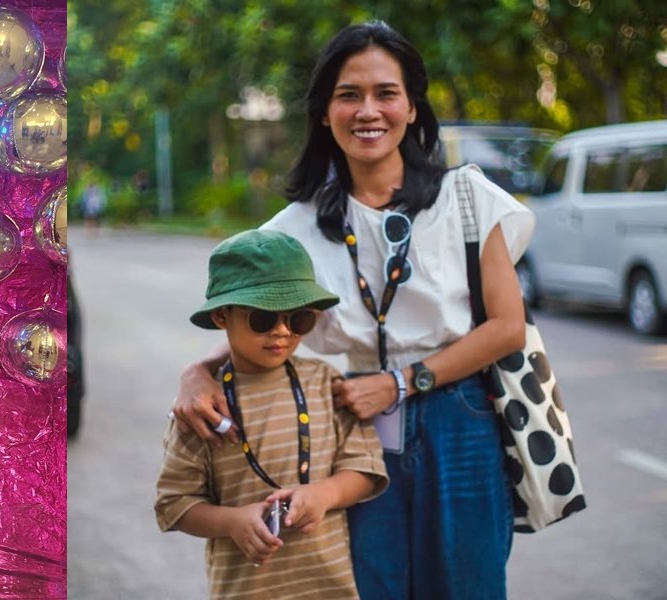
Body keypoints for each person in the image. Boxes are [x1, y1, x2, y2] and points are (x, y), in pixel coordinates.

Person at [172, 21, 533, 600]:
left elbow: (507, 327)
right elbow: (256, 321)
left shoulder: (468, 199)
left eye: (386, 93)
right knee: (367, 586)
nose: (369, 110)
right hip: (351, 429)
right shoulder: (292, 230)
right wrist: (198, 371)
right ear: (323, 113)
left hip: (458, 417)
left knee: (468, 586)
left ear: (412, 107)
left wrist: (401, 383)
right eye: (349, 95)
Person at [155, 229, 388, 600]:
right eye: (262, 318)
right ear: (221, 316)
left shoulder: (325, 385)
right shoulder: (204, 409)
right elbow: (173, 504)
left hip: (331, 589)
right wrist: (231, 522)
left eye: (299, 319)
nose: (281, 331)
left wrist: (325, 493)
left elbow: (367, 468)